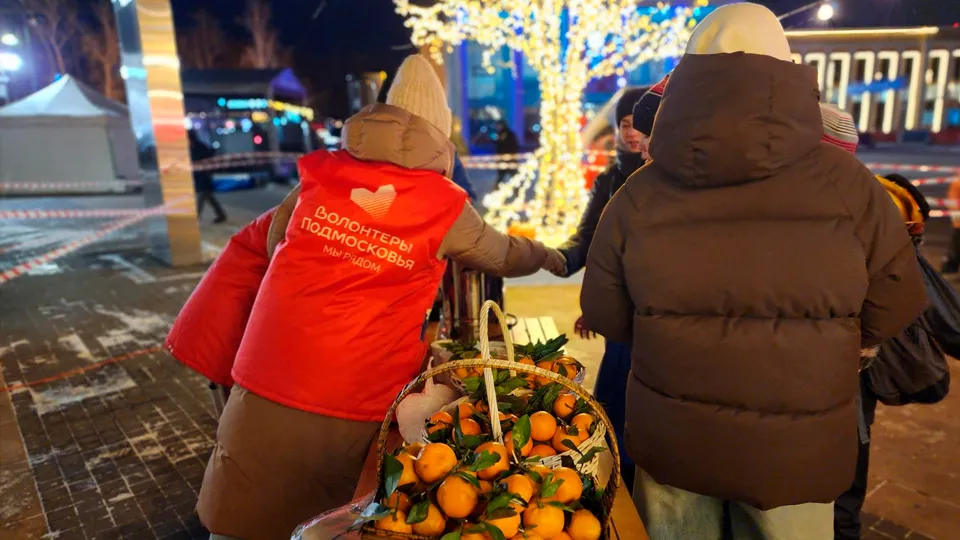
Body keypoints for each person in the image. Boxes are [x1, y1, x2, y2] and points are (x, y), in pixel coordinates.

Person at [173, 55, 565, 540]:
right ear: (438, 136)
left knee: (241, 508)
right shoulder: (443, 204)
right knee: (327, 519)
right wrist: (549, 254)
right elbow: (503, 256)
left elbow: (273, 245)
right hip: (353, 391)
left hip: (265, 374)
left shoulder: (319, 180)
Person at [580, 4, 927, 539]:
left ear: (686, 80)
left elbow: (605, 310)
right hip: (794, 448)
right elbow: (897, 299)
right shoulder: (850, 185)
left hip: (676, 437)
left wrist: (671, 333)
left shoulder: (640, 193)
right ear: (788, 74)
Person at [549, 85, 653, 491]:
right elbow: (591, 237)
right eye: (624, 124)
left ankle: (626, 482)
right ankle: (613, 483)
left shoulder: (664, 177)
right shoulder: (611, 179)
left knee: (635, 405)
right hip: (622, 319)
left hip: (650, 312)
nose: (631, 134)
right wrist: (556, 259)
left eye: (638, 125)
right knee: (610, 401)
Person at [188, 130, 227, 224]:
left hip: (204, 176)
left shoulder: (199, 147)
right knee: (209, 197)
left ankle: (195, 217)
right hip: (199, 176)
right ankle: (221, 215)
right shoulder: (193, 148)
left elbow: (208, 158)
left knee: (202, 196)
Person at [494, 120, 520, 186]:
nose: (497, 127)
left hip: (509, 159)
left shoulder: (506, 134)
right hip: (505, 159)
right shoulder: (501, 134)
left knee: (512, 176)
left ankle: (517, 191)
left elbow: (512, 145)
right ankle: (516, 191)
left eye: (498, 125)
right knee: (503, 176)